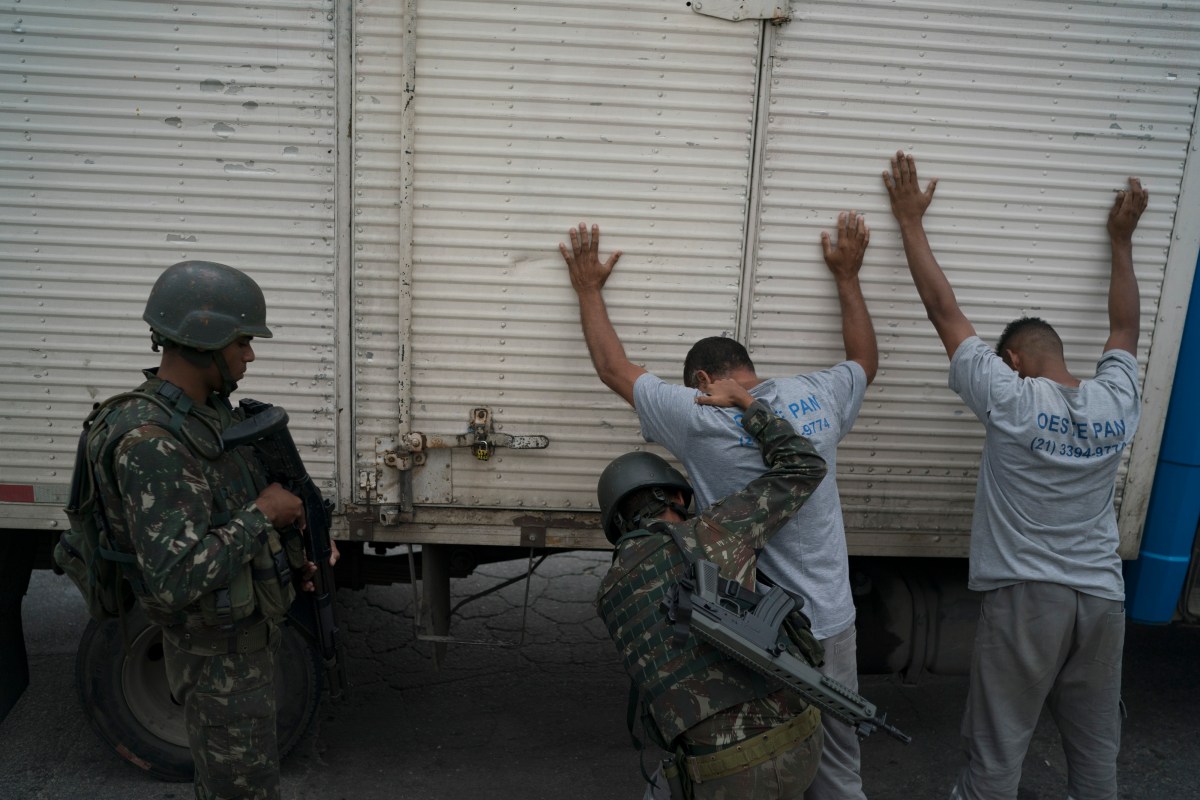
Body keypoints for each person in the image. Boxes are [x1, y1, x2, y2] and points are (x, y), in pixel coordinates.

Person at [562, 214, 877, 800]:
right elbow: (864, 361)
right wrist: (848, 276)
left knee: (751, 756)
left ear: (703, 379)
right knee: (838, 775)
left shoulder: (697, 415)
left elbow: (612, 368)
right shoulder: (818, 395)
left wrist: (587, 287)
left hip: (759, 631)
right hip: (833, 618)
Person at [882, 150, 1147, 800]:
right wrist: (1121, 241)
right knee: (1096, 757)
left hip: (1029, 598)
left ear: (1012, 359)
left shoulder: (1010, 398)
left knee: (996, 755)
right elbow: (1125, 326)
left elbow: (944, 311)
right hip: (1101, 598)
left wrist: (910, 221)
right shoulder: (1116, 401)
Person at [88, 260, 333, 799]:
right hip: (217, 662)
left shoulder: (207, 414)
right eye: (242, 342)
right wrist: (264, 513)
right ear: (205, 339)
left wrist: (297, 546)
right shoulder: (151, 441)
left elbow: (226, 510)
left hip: (240, 650)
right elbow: (176, 578)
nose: (250, 355)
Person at [595, 377, 828, 799]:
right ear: (674, 496)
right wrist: (749, 406)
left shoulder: (610, 595)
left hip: (716, 775)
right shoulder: (716, 529)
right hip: (800, 744)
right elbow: (805, 466)